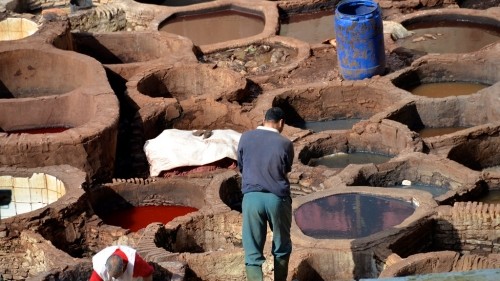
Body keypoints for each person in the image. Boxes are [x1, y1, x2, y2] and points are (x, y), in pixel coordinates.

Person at [237, 107, 295, 281]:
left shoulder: (245, 137)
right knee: (281, 245)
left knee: (252, 249)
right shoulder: (285, 143)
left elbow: (241, 165)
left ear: (264, 120)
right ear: (281, 123)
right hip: (277, 199)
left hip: (251, 199)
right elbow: (286, 169)